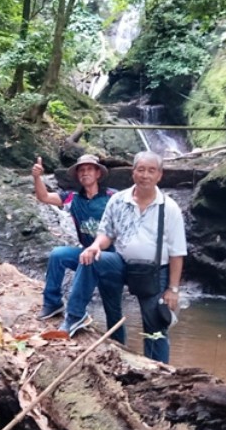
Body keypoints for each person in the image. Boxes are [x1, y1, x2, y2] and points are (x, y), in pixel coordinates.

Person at [78, 151, 188, 362]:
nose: (145, 175)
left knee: (156, 329)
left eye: (151, 171)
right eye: (141, 170)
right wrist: (95, 246)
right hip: (121, 265)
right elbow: (107, 233)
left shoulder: (169, 208)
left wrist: (173, 289)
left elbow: (177, 252)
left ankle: (158, 371)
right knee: (92, 259)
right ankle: (75, 317)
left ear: (159, 175)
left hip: (154, 272)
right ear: (133, 172)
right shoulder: (118, 200)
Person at [32, 154, 123, 342]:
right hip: (86, 255)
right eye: (81, 170)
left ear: (98, 173)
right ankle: (54, 303)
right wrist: (37, 177)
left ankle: (120, 347)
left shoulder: (113, 197)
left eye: (89, 169)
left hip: (111, 259)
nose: (85, 173)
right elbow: (43, 197)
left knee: (113, 311)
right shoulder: (73, 198)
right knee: (58, 255)